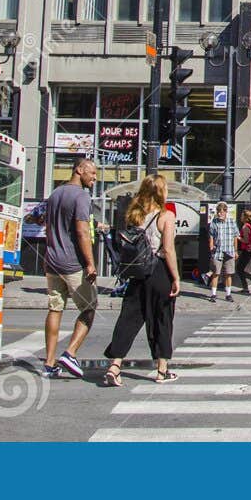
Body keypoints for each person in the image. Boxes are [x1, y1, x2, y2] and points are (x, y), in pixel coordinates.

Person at [102, 175, 181, 386]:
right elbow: (168, 249)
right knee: (162, 319)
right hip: (159, 271)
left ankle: (115, 365)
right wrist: (176, 277)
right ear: (161, 192)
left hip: (137, 273)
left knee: (129, 318)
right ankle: (162, 370)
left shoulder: (134, 214)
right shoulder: (166, 216)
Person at [42, 158, 98, 379]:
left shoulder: (55, 194)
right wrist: (90, 263)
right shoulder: (81, 196)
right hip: (72, 263)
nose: (94, 178)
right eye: (92, 173)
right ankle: (70, 353)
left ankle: (48, 363)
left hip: (52, 261)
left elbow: (47, 226)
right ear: (79, 169)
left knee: (55, 309)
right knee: (90, 308)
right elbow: (83, 232)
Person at [207, 202, 239, 302]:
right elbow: (211, 234)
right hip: (218, 250)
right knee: (216, 273)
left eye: (222, 212)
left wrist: (235, 250)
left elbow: (235, 236)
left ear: (225, 212)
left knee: (228, 273)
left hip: (229, 250)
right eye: (218, 212)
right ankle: (213, 294)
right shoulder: (214, 222)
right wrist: (211, 245)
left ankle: (228, 294)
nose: (220, 214)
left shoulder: (231, 221)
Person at [237, 208, 251, 293]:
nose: (240, 217)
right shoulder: (249, 225)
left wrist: (238, 237)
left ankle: (249, 285)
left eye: (242, 216)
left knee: (239, 268)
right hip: (248, 249)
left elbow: (245, 240)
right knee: (241, 268)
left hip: (247, 249)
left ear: (245, 217)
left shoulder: (245, 227)